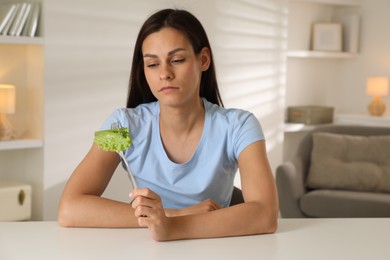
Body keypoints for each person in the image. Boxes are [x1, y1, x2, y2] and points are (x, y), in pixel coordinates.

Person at [58, 8, 278, 241]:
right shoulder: (121, 124)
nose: (165, 73)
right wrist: (171, 216)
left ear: (203, 60)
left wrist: (173, 227)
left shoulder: (240, 125)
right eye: (152, 64)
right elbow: (69, 208)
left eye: (177, 60)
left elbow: (265, 215)